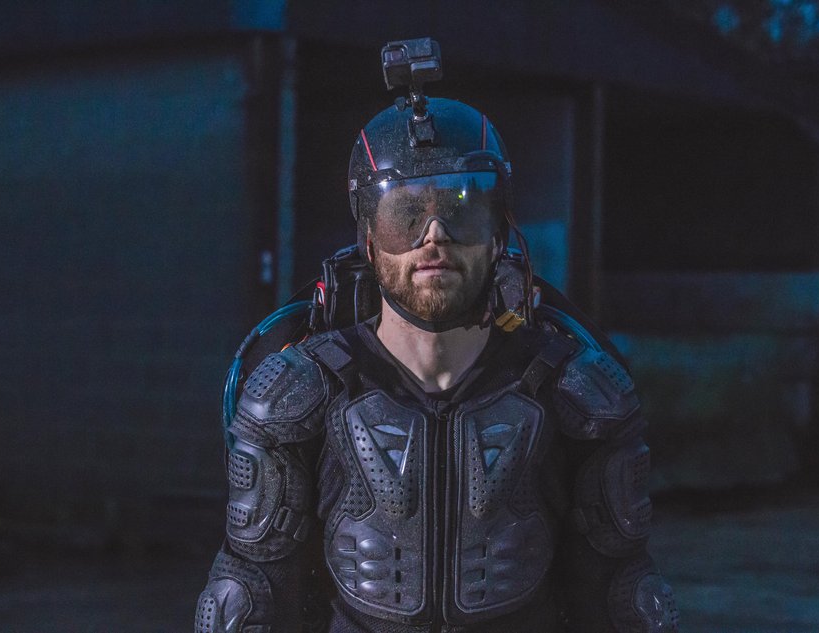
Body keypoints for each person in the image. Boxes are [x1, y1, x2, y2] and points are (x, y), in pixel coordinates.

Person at [195, 38, 678, 633]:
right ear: (368, 240)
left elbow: (620, 598)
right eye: (404, 214)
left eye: (461, 208)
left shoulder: (575, 396)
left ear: (499, 235)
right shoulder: (298, 398)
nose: (434, 236)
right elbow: (250, 596)